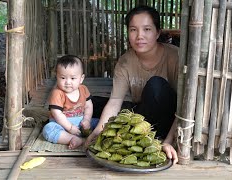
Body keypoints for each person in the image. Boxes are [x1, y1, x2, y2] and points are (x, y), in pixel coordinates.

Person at [86, 5, 179, 164]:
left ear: (157, 32)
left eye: (147, 29)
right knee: (93, 102)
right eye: (133, 30)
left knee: (156, 85)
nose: (139, 36)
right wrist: (99, 132)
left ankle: (153, 137)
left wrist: (169, 141)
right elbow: (115, 102)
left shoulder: (175, 57)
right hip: (142, 115)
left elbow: (183, 108)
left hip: (169, 121)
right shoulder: (125, 61)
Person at [42, 55, 98, 149]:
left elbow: (88, 106)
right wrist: (70, 128)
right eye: (63, 78)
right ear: (57, 77)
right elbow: (57, 114)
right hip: (61, 125)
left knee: (100, 122)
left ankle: (94, 136)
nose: (68, 82)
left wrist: (87, 120)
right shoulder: (57, 93)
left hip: (81, 122)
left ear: (81, 78)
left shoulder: (83, 89)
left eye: (73, 78)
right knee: (48, 129)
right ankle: (71, 138)